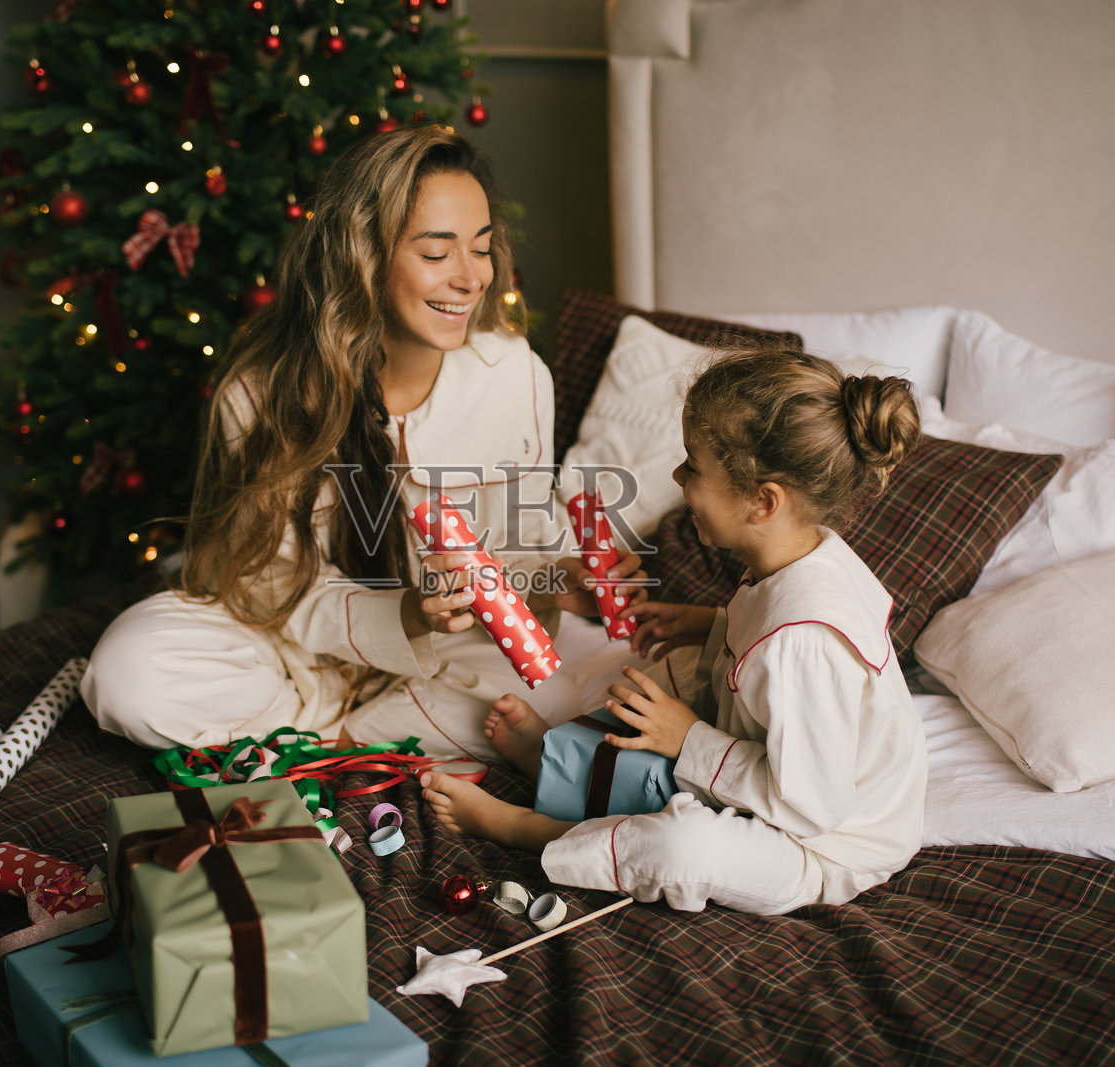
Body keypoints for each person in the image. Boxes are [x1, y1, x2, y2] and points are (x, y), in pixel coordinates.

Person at [79, 125, 644, 759]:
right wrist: (408, 613)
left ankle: (326, 737)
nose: (470, 278)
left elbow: (520, 555)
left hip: (458, 652)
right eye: (436, 254)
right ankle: (356, 733)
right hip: (297, 645)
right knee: (127, 670)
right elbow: (275, 589)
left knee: (597, 690)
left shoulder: (514, 373)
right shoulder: (261, 392)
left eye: (481, 249)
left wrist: (559, 579)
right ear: (364, 256)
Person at [423, 349, 929, 915]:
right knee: (663, 685)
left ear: (762, 502)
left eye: (693, 466)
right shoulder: (803, 556)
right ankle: (555, 763)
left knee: (682, 843)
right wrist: (709, 624)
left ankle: (528, 827)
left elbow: (812, 806)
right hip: (778, 765)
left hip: (825, 843)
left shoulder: (804, 642)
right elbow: (765, 653)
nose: (677, 476)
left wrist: (688, 737)